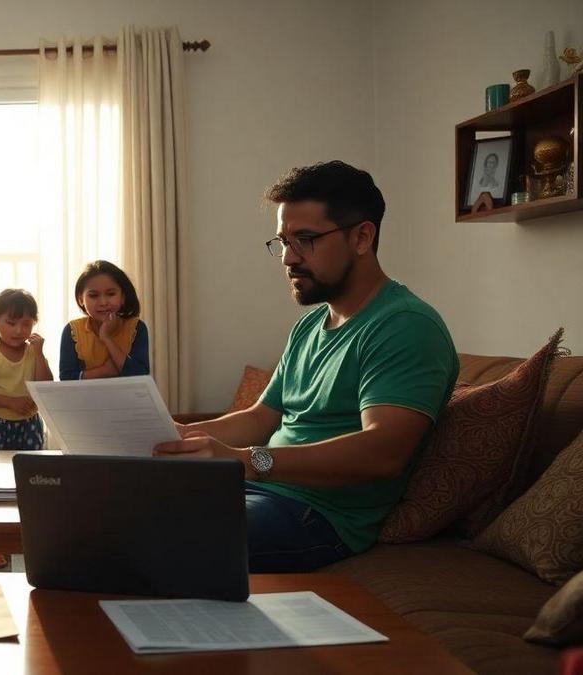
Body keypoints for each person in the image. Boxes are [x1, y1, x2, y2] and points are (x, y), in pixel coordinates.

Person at [154, 160, 458, 572]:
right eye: (282, 241)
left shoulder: (405, 326)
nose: (287, 258)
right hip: (259, 490)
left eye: (306, 239)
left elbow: (382, 452)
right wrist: (178, 435)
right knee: (114, 504)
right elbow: (262, 416)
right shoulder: (310, 325)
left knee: (159, 533)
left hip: (318, 516)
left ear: (362, 237)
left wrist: (249, 460)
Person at [0, 288, 53, 569]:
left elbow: (45, 386)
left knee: (28, 486)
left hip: (27, 426)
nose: (18, 330)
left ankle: (27, 542)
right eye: (11, 323)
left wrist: (39, 353)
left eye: (26, 324)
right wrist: (10, 402)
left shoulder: (32, 352)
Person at [59, 260, 150, 381]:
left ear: (122, 297)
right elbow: (65, 378)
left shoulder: (136, 327)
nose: (103, 302)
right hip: (85, 398)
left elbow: (141, 375)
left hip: (126, 399)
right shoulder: (72, 330)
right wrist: (103, 371)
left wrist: (106, 338)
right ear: (81, 299)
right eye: (93, 295)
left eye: (111, 294)